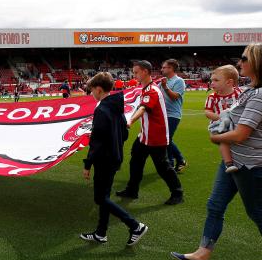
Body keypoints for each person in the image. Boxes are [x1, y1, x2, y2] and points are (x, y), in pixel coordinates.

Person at [171, 43, 262, 260]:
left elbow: (242, 134)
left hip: (249, 164)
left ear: (257, 62)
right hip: (233, 160)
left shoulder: (259, 95)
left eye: (244, 58)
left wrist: (215, 137)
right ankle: (202, 254)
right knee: (215, 205)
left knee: (257, 213)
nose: (239, 62)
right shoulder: (250, 90)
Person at [80, 72, 149, 246]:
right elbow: (124, 133)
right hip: (114, 157)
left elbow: (96, 142)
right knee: (105, 196)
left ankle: (135, 226)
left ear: (98, 89)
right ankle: (101, 233)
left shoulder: (102, 109)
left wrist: (87, 164)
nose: (92, 94)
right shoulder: (116, 106)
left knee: (100, 198)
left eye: (92, 90)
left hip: (104, 159)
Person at [116, 60, 184, 205]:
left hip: (155, 136)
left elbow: (143, 108)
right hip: (145, 135)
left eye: (136, 72)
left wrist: (130, 121)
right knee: (135, 161)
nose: (134, 75)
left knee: (162, 167)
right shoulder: (146, 88)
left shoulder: (151, 90)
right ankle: (132, 190)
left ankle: (178, 193)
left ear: (145, 72)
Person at [204, 65, 242, 173]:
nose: (212, 83)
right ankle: (228, 163)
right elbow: (207, 112)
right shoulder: (212, 97)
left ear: (229, 82)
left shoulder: (239, 93)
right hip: (219, 125)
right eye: (211, 80)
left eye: (216, 80)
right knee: (223, 140)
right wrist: (221, 117)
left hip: (236, 122)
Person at [159, 59, 187, 173]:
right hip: (163, 114)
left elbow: (175, 97)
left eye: (164, 67)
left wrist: (165, 87)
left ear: (171, 68)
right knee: (165, 139)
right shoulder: (163, 81)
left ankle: (175, 162)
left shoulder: (179, 81)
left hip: (173, 115)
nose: (162, 69)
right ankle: (175, 162)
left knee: (167, 139)